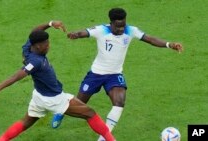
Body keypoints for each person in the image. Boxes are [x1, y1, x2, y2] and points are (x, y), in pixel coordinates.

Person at [58, 8, 183, 141]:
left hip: (115, 74)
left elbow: (150, 39)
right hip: (96, 74)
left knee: (119, 102)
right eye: (118, 26)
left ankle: (104, 137)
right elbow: (85, 32)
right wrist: (75, 35)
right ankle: (60, 111)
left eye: (123, 25)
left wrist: (170, 44)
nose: (121, 29)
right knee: (80, 103)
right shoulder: (101, 30)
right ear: (111, 23)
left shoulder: (131, 30)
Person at [0, 21, 116, 141]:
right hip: (54, 99)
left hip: (39, 97)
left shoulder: (28, 48)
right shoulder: (35, 62)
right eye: (46, 44)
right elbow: (16, 77)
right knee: (90, 113)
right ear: (38, 46)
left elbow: (35, 31)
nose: (49, 46)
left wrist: (50, 24)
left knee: (25, 122)